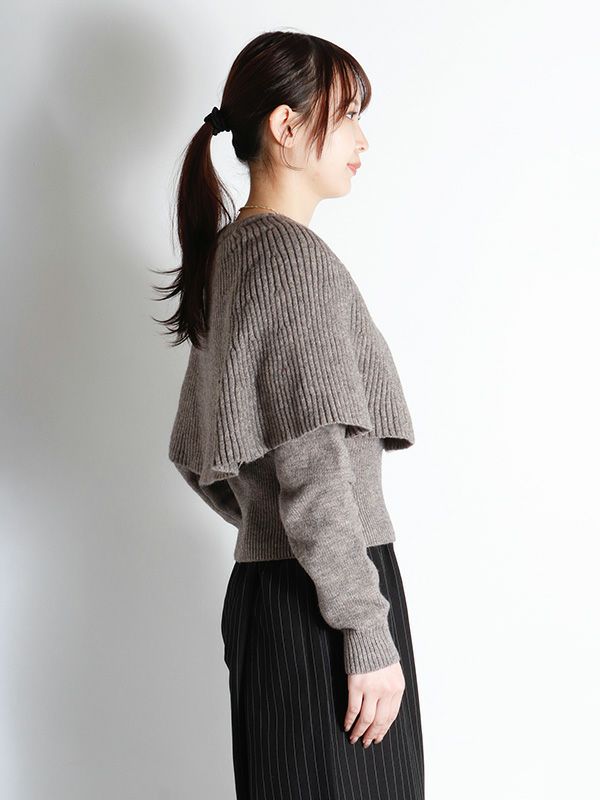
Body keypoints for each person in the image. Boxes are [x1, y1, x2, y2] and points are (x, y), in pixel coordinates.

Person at [154, 29, 425, 800]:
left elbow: (198, 454)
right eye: (348, 115)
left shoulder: (235, 254)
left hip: (279, 597)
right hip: (327, 608)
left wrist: (269, 528)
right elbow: (311, 468)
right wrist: (363, 626)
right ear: (286, 125)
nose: (362, 140)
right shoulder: (290, 261)